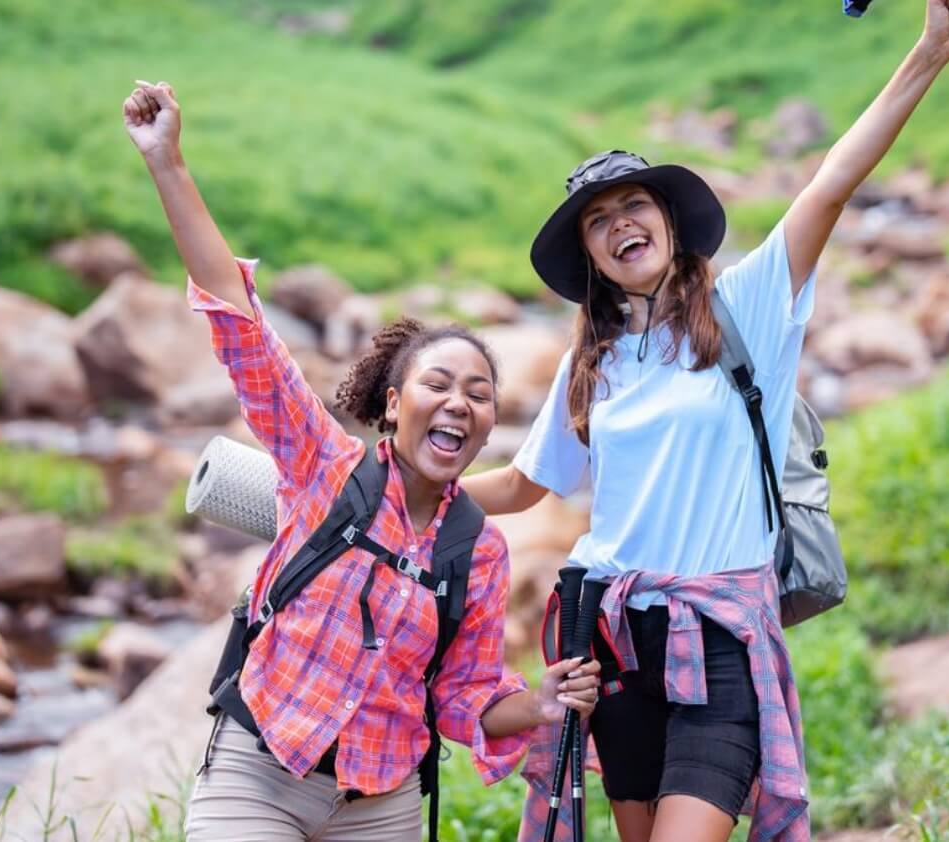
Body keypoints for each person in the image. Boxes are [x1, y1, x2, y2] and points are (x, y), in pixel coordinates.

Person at [460, 2, 949, 840]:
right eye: (598, 221)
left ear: (667, 221)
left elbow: (829, 186)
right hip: (611, 640)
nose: (619, 223)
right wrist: (403, 484)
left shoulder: (748, 312)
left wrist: (927, 54)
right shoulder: (588, 364)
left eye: (633, 205)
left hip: (722, 639)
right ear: (591, 259)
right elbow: (525, 486)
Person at [121, 80, 600, 842]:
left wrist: (543, 702)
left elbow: (463, 695)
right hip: (260, 773)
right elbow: (242, 326)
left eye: (478, 394)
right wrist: (168, 165)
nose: (459, 403)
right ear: (391, 404)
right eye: (437, 384)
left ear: (485, 426)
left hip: (380, 806)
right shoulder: (322, 465)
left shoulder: (476, 550)